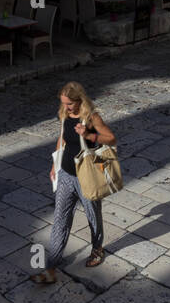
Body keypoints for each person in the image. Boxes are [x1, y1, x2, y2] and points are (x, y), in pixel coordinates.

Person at [31, 81, 115, 285]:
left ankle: (97, 248)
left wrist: (87, 134)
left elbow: (111, 138)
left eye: (69, 103)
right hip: (66, 175)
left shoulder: (91, 116)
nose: (66, 107)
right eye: (63, 103)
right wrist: (55, 164)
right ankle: (51, 268)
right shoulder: (65, 114)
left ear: (79, 101)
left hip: (87, 177)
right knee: (60, 219)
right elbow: (63, 139)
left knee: (93, 216)